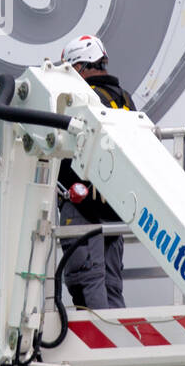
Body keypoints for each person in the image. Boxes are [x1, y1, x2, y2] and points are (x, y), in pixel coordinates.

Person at [56, 34, 136, 310]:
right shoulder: (125, 100)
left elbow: (62, 153)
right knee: (112, 285)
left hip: (82, 208)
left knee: (87, 285)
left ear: (78, 67)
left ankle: (103, 345)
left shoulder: (79, 99)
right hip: (115, 208)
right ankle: (118, 343)